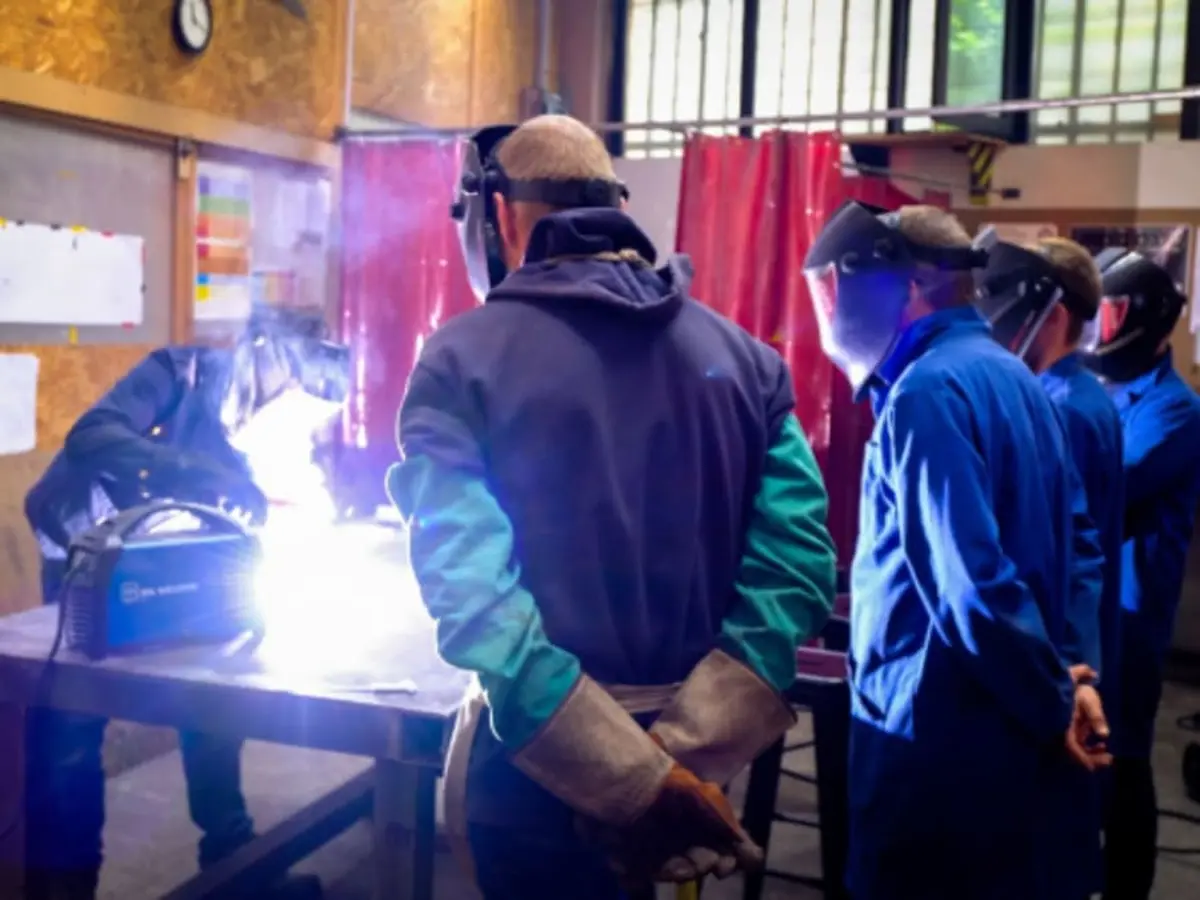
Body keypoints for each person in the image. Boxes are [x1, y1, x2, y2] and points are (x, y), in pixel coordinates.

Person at [386, 114, 837, 899]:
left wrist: (628, 785)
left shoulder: (458, 361)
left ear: (498, 215)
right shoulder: (750, 365)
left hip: (537, 780)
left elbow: (476, 603)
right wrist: (680, 768)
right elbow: (798, 570)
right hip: (702, 776)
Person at [802, 202, 1111, 900]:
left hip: (937, 746)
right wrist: (1074, 676)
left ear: (907, 285)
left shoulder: (925, 393)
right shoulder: (1017, 378)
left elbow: (969, 585)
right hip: (1007, 745)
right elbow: (1081, 549)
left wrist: (1055, 694)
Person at [23, 308, 347, 900]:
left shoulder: (256, 422)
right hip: (88, 549)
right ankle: (64, 887)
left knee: (212, 702)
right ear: (262, 354)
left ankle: (235, 865)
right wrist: (193, 472)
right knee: (73, 726)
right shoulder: (182, 373)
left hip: (170, 558)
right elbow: (91, 434)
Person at [975, 234, 1125, 895]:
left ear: (1053, 314)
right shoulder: (1077, 395)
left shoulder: (1061, 406)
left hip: (1058, 654)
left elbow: (1061, 548)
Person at [1081, 249, 1200, 900]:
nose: (1103, 330)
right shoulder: (1104, 392)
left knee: (1123, 764)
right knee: (1087, 760)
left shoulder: (1174, 411)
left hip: (1130, 623)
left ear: (1150, 325)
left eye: (1113, 316)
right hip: (1091, 614)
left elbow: (1108, 488)